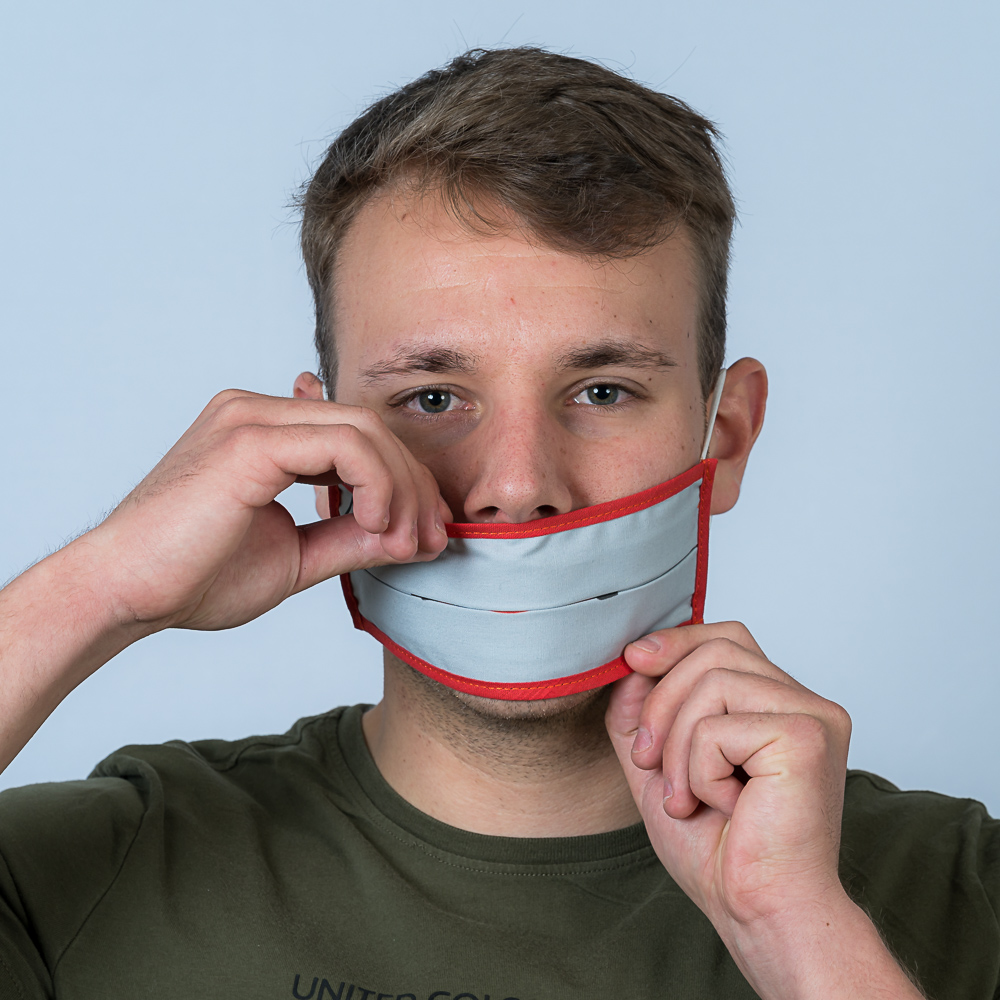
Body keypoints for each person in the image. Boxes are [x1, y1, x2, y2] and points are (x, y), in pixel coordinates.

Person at [0, 46, 996, 1000]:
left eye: (602, 390)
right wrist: (100, 589)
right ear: (316, 446)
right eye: (432, 397)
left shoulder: (965, 892)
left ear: (725, 437)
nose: (518, 487)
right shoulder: (79, 876)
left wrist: (800, 936)